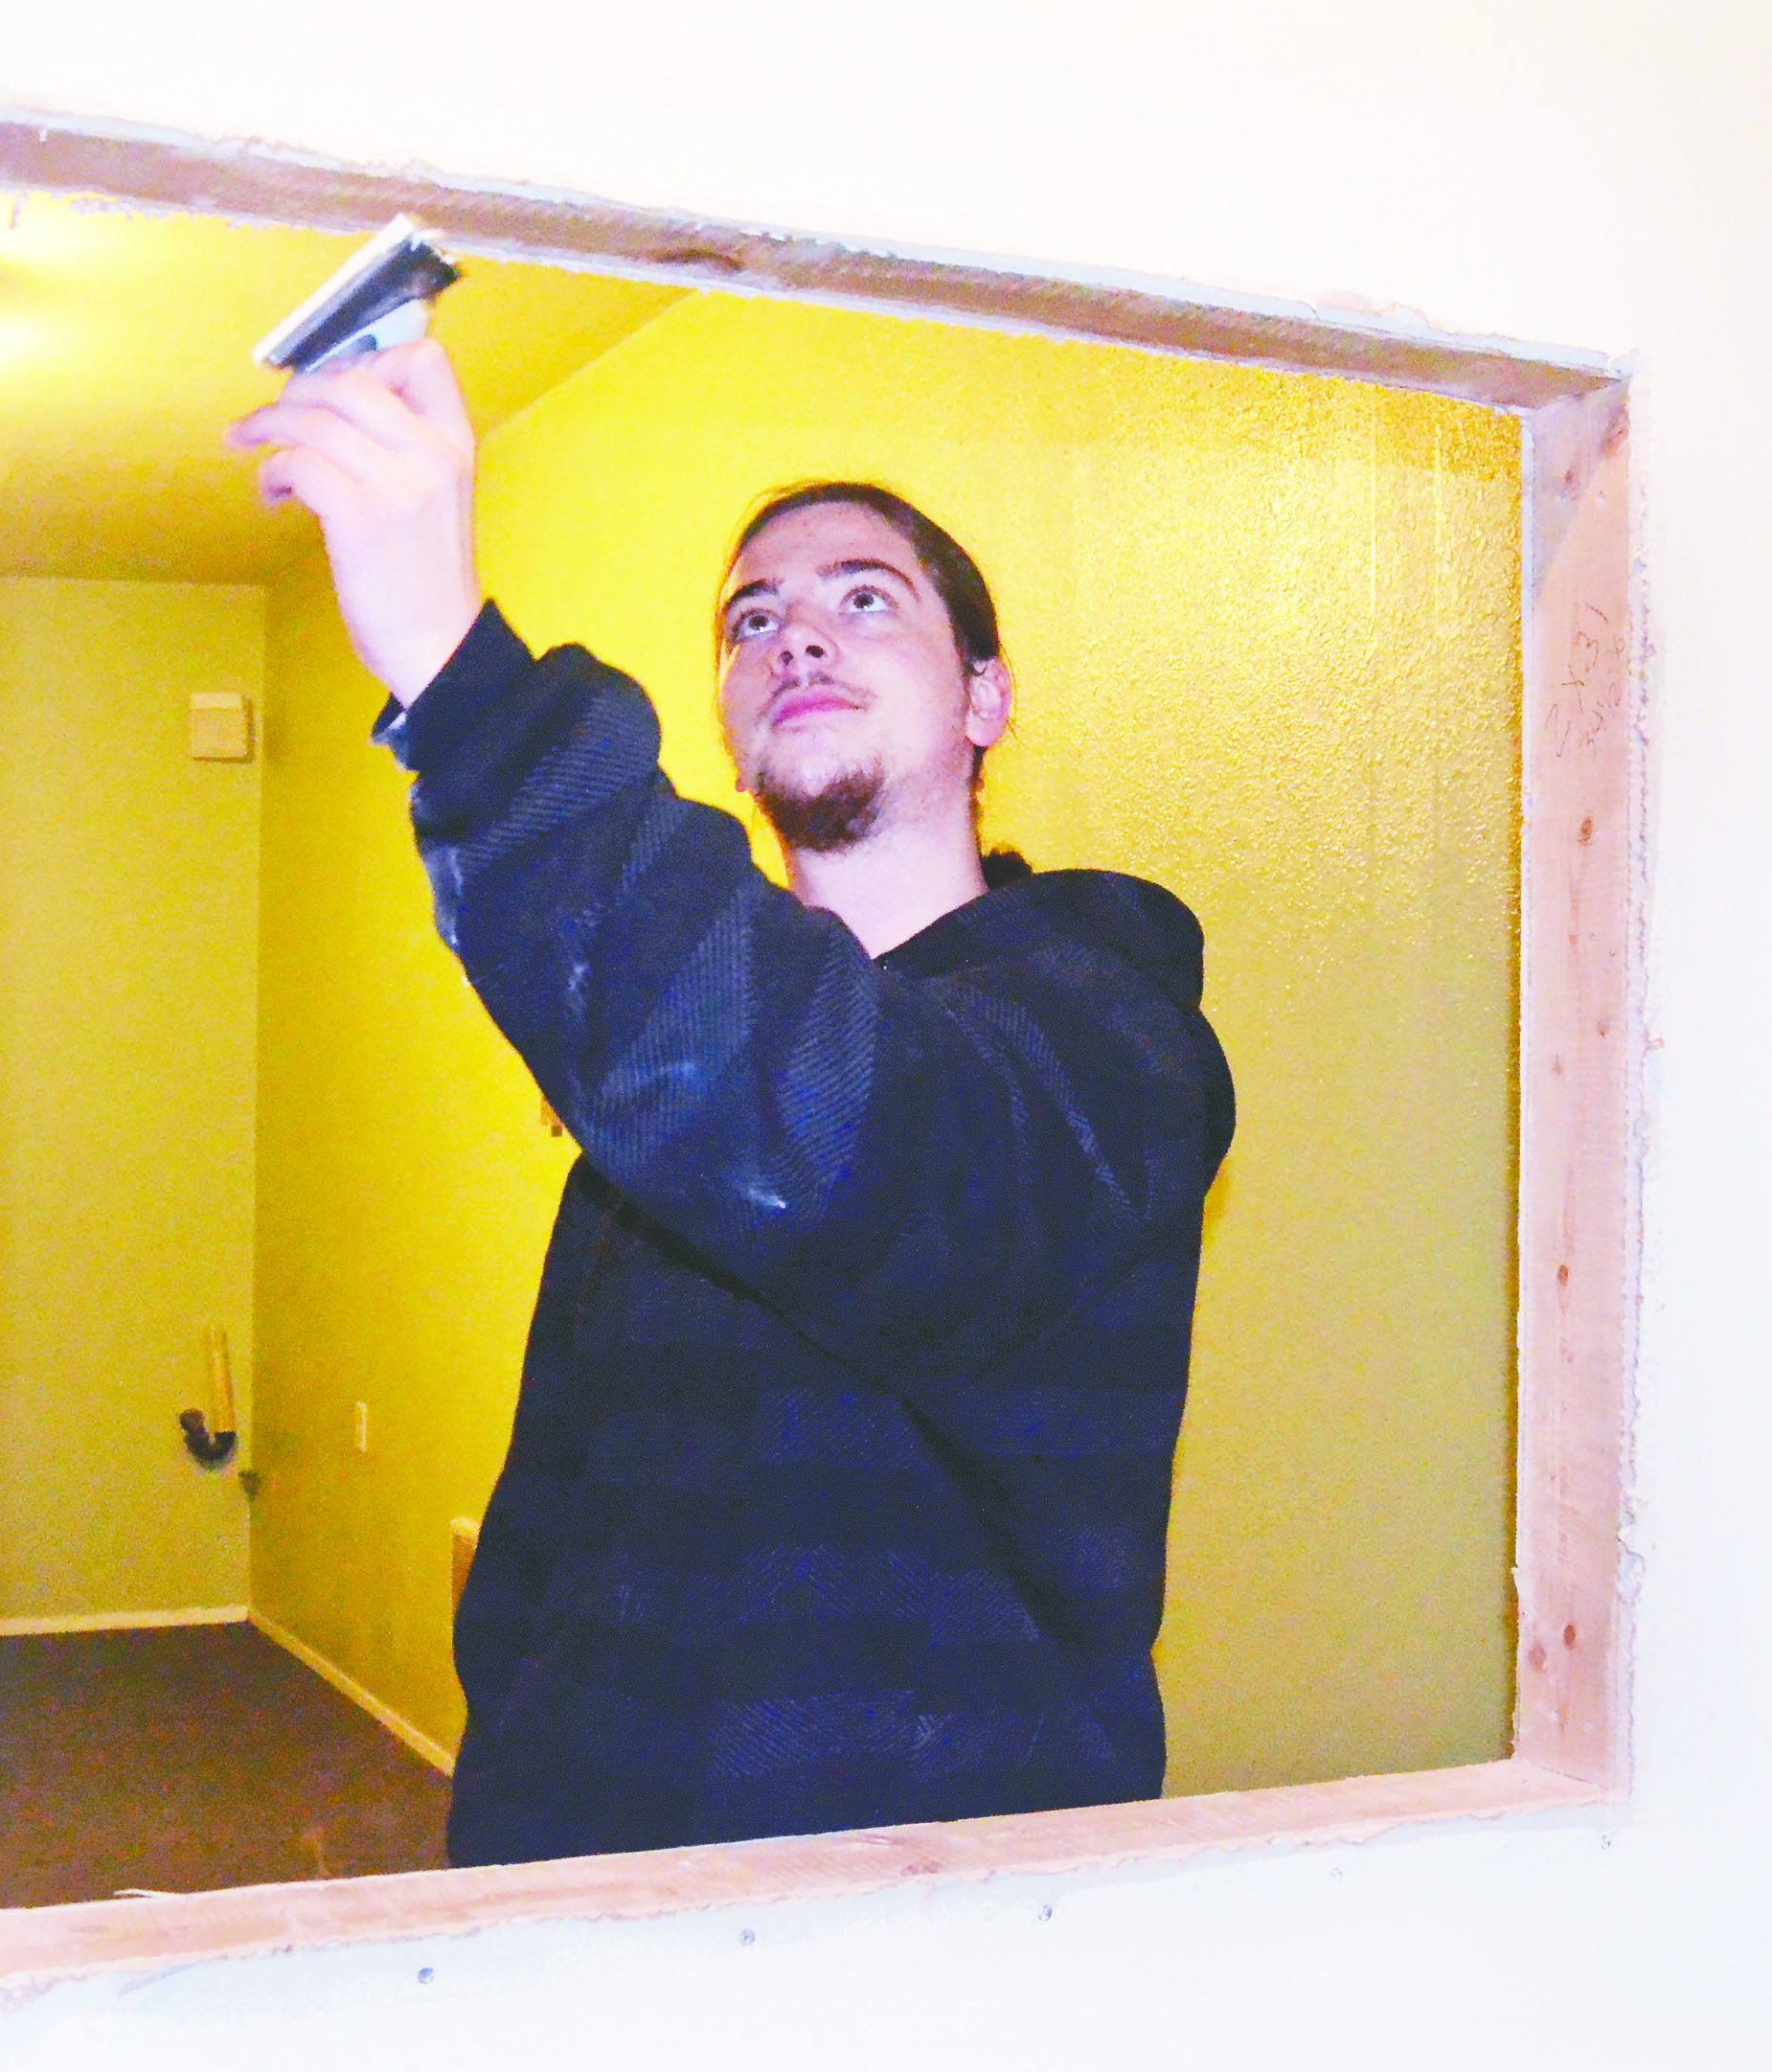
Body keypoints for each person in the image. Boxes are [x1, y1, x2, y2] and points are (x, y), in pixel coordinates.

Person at [230, 340, 1236, 1866]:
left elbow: (867, 1145)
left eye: (864, 598)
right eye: (752, 618)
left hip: (923, 1922)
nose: (797, 637)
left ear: (986, 695)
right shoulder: (658, 1125)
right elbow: (550, 1528)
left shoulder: (1109, 1039)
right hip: (593, 1888)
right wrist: (510, 1815)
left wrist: (460, 671)